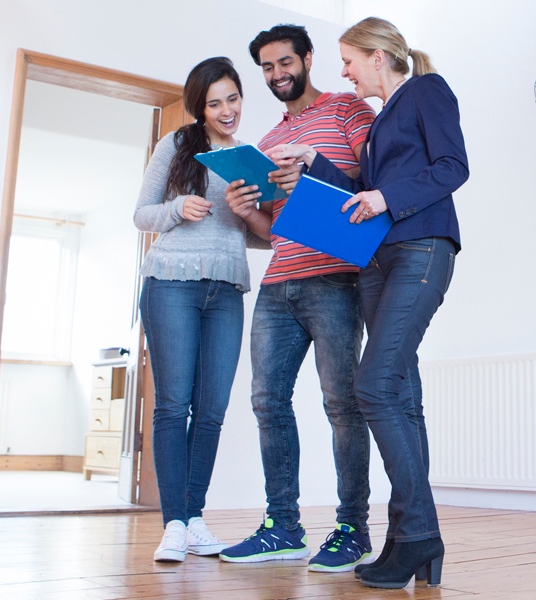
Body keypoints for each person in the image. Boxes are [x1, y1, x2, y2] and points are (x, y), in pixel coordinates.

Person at [269, 16, 468, 589]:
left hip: (421, 250)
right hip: (380, 261)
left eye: (349, 61)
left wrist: (384, 196)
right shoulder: (380, 124)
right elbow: (364, 196)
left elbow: (453, 166)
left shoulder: (428, 91)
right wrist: (316, 166)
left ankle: (419, 535)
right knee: (400, 395)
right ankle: (410, 540)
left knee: (373, 386)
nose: (343, 72)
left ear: (378, 57)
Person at [216, 24, 379, 573]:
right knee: (267, 403)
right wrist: (247, 212)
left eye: (285, 62)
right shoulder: (264, 144)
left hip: (336, 279)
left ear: (308, 59)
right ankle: (282, 527)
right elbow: (274, 230)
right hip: (279, 283)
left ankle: (352, 529)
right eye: (266, 68)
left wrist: (311, 170)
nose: (277, 75)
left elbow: (372, 185)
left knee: (342, 405)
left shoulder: (347, 111)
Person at [133, 56, 271, 563]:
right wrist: (177, 210)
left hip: (226, 290)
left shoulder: (251, 158)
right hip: (170, 283)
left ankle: (194, 518)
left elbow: (263, 238)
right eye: (214, 103)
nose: (226, 110)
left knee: (211, 411)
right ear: (199, 107)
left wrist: (247, 212)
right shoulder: (176, 145)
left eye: (232, 98)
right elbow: (141, 214)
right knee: (174, 405)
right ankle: (173, 523)